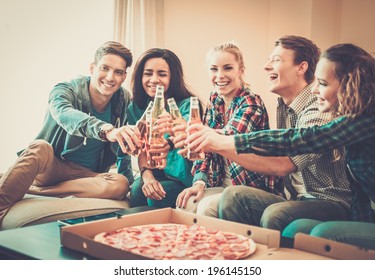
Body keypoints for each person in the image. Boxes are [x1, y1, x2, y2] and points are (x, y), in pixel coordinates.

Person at [205, 44, 374, 249]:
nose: (314, 89)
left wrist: (227, 141)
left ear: (348, 86)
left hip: (339, 205)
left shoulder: (366, 119)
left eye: (322, 83)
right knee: (289, 225)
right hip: (356, 213)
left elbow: (301, 140)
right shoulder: (346, 118)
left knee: (319, 231)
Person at [185, 36, 352, 231]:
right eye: (213, 69)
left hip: (329, 201)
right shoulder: (284, 106)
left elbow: (283, 164)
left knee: (272, 214)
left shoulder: (319, 110)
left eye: (276, 60)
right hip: (295, 197)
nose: (266, 66)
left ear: (301, 67)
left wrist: (213, 140)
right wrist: (200, 175)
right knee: (230, 197)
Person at [0, 41, 142, 225]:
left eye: (118, 72)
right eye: (104, 68)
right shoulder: (65, 89)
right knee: (40, 147)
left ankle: (36, 189)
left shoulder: (123, 99)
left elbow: (122, 147)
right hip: (53, 166)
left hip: (88, 175)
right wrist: (106, 130)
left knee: (120, 183)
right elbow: (64, 114)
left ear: (124, 76)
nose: (110, 77)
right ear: (92, 68)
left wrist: (129, 187)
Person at [174, 42, 282, 217]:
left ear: (240, 70)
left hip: (250, 188)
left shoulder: (251, 102)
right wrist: (199, 183)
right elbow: (205, 151)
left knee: (206, 208)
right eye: (214, 69)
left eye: (227, 68)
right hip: (221, 184)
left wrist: (198, 134)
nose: (220, 75)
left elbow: (230, 139)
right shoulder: (214, 100)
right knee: (185, 205)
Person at [127, 48, 197, 208]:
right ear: (140, 76)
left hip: (186, 177)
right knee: (138, 189)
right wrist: (147, 176)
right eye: (148, 73)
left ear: (173, 77)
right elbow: (141, 148)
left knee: (158, 195)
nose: (154, 79)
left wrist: (171, 137)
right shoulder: (136, 107)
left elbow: (187, 135)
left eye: (162, 74)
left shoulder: (188, 105)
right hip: (158, 171)